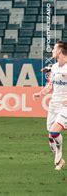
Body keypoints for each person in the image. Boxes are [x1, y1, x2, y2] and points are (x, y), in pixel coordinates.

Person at [34, 40, 67, 170]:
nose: (52, 50)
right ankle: (59, 159)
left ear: (60, 51)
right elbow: (50, 85)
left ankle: (60, 153)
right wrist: (40, 93)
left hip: (65, 106)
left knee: (54, 131)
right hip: (54, 105)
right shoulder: (53, 67)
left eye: (54, 48)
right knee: (51, 137)